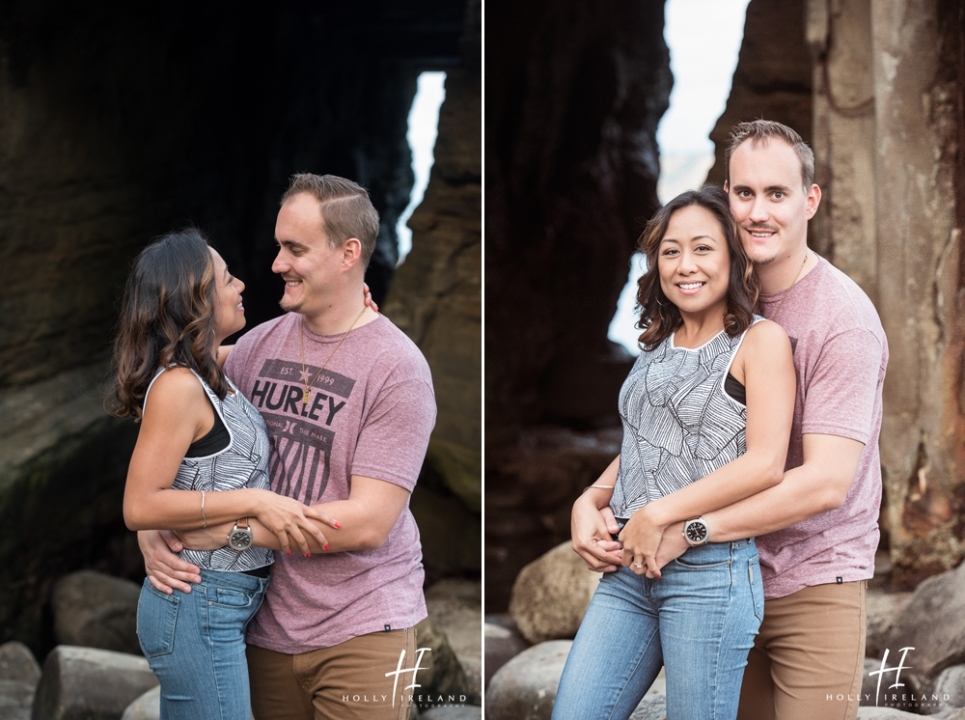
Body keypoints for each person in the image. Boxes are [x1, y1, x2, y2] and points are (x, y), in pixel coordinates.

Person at [572, 120, 888, 720]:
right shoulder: (715, 292)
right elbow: (676, 423)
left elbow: (824, 482)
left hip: (808, 581)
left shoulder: (840, 318)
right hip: (713, 582)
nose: (758, 212)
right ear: (726, 196)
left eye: (778, 194)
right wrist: (596, 494)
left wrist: (684, 526)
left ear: (810, 200)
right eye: (744, 193)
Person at [139, 174, 437, 720]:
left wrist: (212, 529)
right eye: (280, 245)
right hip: (262, 625)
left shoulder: (398, 369)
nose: (276, 263)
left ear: (349, 254)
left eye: (295, 249)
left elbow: (369, 522)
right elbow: (168, 381)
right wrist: (155, 525)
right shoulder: (255, 346)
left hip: (362, 629)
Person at [554, 185, 796, 720]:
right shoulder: (657, 341)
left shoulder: (761, 342)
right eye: (670, 250)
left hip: (710, 573)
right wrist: (589, 499)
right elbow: (646, 439)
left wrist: (658, 514)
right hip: (628, 572)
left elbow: (765, 463)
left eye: (703, 248)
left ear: (734, 257)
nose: (685, 265)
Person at [107, 228, 335, 719]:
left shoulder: (211, 371)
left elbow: (289, 354)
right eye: (228, 279)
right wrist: (254, 502)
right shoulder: (178, 387)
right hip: (196, 602)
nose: (241, 286)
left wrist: (350, 313)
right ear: (197, 300)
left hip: (220, 603)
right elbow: (140, 505)